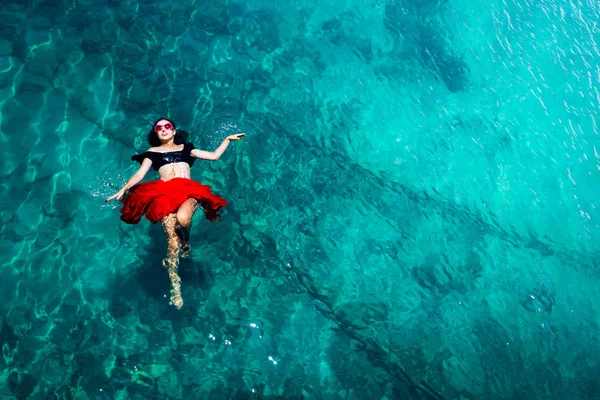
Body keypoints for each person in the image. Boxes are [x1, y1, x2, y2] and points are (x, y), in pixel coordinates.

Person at [106, 117, 245, 309]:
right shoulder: (152, 152)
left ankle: (186, 241)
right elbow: (140, 174)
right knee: (171, 240)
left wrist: (227, 140)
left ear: (173, 131)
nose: (163, 129)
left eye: (167, 126)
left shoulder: (186, 149)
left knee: (183, 218)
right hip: (163, 194)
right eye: (159, 127)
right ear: (156, 133)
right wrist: (123, 188)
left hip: (188, 191)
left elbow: (213, 156)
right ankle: (176, 288)